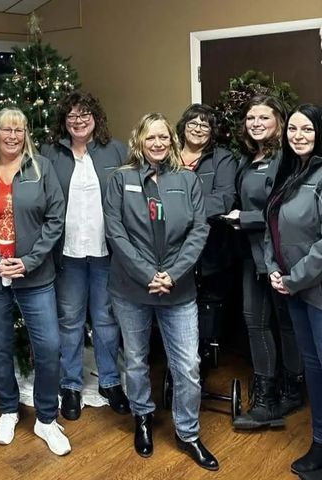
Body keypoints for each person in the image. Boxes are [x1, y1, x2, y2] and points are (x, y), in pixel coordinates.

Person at [104, 113, 218, 471]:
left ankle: (188, 433)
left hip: (177, 289)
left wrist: (172, 273)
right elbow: (115, 232)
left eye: (163, 137)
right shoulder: (120, 179)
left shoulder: (187, 179)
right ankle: (142, 417)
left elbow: (199, 230)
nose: (157, 143)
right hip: (130, 288)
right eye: (150, 137)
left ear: (172, 141)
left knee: (187, 365)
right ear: (139, 140)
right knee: (136, 360)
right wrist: (147, 274)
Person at [0, 108, 70, 456]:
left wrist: (30, 261)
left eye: (19, 130)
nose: (12, 136)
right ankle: (7, 410)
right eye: (6, 129)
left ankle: (46, 418)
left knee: (48, 346)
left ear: (26, 135)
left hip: (34, 275)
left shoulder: (41, 168)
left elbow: (55, 218)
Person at [41, 90, 128, 420]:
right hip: (68, 253)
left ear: (96, 117)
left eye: (85, 114)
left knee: (106, 319)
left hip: (106, 252)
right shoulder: (50, 153)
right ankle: (71, 385)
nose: (78, 121)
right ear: (64, 121)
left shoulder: (116, 150)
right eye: (72, 115)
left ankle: (109, 381)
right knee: (70, 320)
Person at [223, 95, 304, 429]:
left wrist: (244, 218)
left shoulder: (286, 158)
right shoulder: (247, 158)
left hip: (280, 256)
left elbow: (284, 210)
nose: (256, 123)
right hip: (251, 255)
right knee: (254, 322)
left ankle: (293, 390)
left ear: (278, 121)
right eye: (250, 118)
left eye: (263, 118)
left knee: (287, 324)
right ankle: (266, 397)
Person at [264, 103, 322, 476]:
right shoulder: (290, 171)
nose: (298, 136)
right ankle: (320, 442)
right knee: (313, 369)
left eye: (307, 129)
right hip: (295, 289)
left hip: (314, 290)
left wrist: (293, 278)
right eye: (293, 129)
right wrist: (272, 265)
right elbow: (272, 224)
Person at [176, 104, 236, 371]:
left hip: (211, 248)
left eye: (205, 124)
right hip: (172, 247)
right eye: (193, 123)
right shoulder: (168, 154)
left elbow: (223, 198)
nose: (198, 128)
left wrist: (183, 210)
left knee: (207, 307)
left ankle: (202, 359)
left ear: (212, 131)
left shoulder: (222, 158)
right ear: (183, 126)